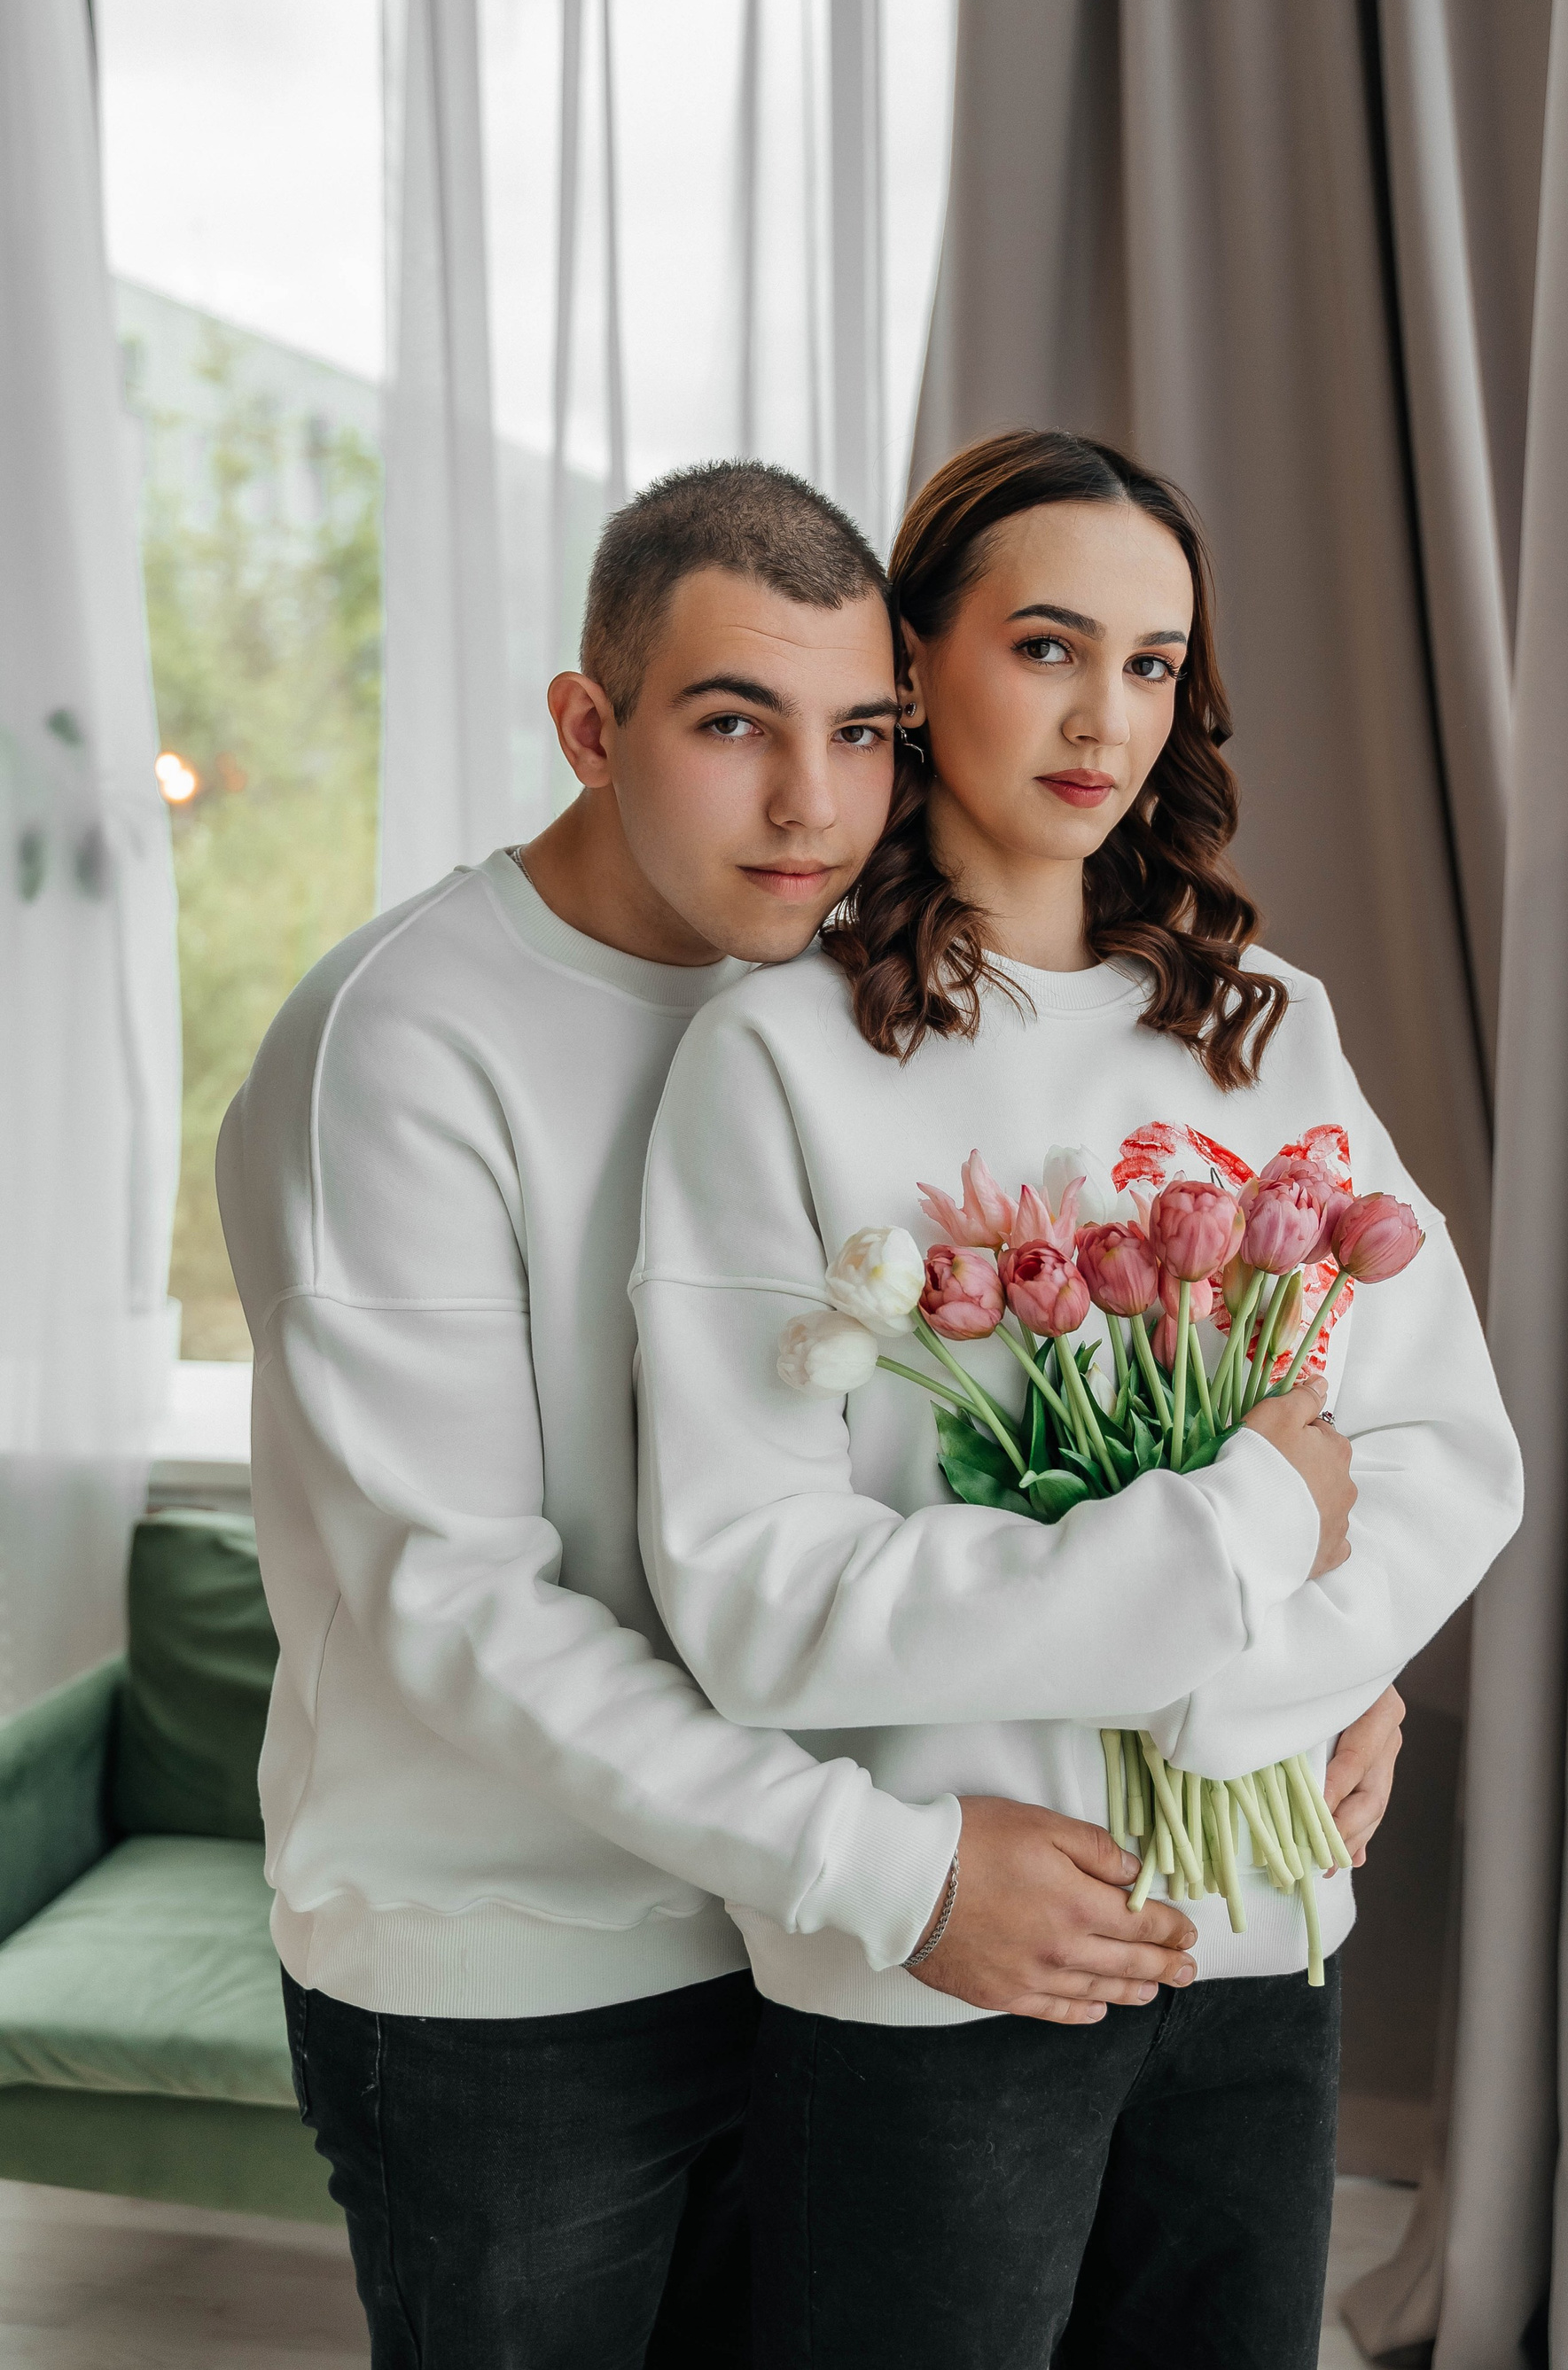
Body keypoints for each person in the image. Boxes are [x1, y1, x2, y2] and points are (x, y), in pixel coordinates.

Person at [218, 461, 1265, 2370]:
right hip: (527, 1976)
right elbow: (459, 1602)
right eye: (731, 725)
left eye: (861, 731)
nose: (812, 803)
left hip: (812, 1942)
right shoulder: (400, 1044)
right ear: (588, 727)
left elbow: (980, 1447)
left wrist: (1285, 1645)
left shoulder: (859, 1002)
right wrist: (898, 1870)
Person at [632, 430, 1522, 2370]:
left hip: (1260, 1927)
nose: (1105, 716)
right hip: (952, 1967)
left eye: (1151, 663)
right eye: (1047, 646)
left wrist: (1279, 1699)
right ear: (916, 659)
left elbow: (1447, 1454)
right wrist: (1232, 1562)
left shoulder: (1268, 1027)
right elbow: (758, 1595)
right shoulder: (774, 1062)